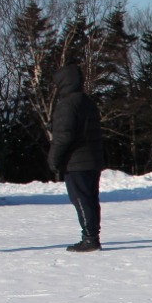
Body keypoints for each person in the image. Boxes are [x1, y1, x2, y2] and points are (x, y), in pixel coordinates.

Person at [48, 63, 105, 252]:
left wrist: (54, 159)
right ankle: (92, 236)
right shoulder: (87, 101)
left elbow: (64, 136)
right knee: (90, 198)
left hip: (76, 161)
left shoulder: (67, 104)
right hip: (92, 159)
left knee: (80, 198)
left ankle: (89, 239)